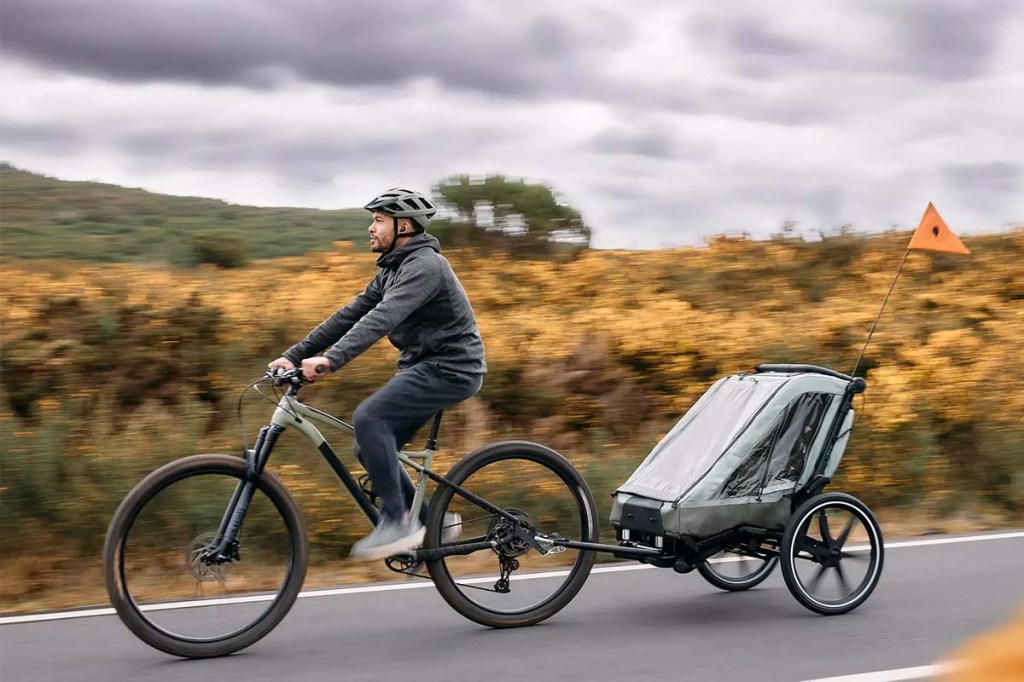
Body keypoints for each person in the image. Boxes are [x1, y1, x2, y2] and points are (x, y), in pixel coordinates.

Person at [268, 188, 486, 560]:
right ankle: (434, 520)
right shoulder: (393, 269)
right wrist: (294, 355)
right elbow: (349, 314)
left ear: (404, 226)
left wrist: (331, 360)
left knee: (369, 418)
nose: (371, 228)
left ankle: (398, 522)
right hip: (424, 367)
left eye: (378, 220)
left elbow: (381, 319)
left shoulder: (425, 266)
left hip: (451, 368)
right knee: (368, 444)